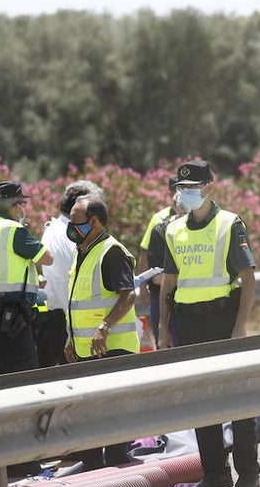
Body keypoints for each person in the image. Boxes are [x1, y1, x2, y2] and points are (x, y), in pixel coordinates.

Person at [158, 160, 260, 487]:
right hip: (188, 322)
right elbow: (169, 281)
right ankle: (215, 475)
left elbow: (248, 279)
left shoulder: (230, 223)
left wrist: (240, 326)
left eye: (192, 187)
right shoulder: (173, 229)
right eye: (182, 188)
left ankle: (249, 472)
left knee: (238, 397)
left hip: (223, 317)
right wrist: (163, 327)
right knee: (202, 400)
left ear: (208, 188)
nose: (186, 193)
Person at [64, 193, 139, 468]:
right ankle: (94, 472)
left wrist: (104, 327)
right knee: (90, 418)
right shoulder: (82, 251)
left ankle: (119, 473)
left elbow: (128, 295)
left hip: (112, 348)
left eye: (76, 221)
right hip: (87, 350)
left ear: (93, 221)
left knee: (113, 417)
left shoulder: (111, 251)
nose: (71, 227)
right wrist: (71, 339)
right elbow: (78, 301)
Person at [0, 181, 53, 375]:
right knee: (24, 374)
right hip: (13, 318)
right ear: (16, 206)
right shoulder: (13, 230)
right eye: (22, 204)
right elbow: (48, 258)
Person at [36, 180, 104, 367]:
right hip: (68, 320)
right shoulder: (65, 233)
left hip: (68, 318)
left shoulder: (59, 230)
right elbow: (72, 281)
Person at [136, 175, 180, 346]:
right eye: (175, 190)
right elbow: (144, 252)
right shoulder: (159, 219)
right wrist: (143, 286)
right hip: (159, 292)